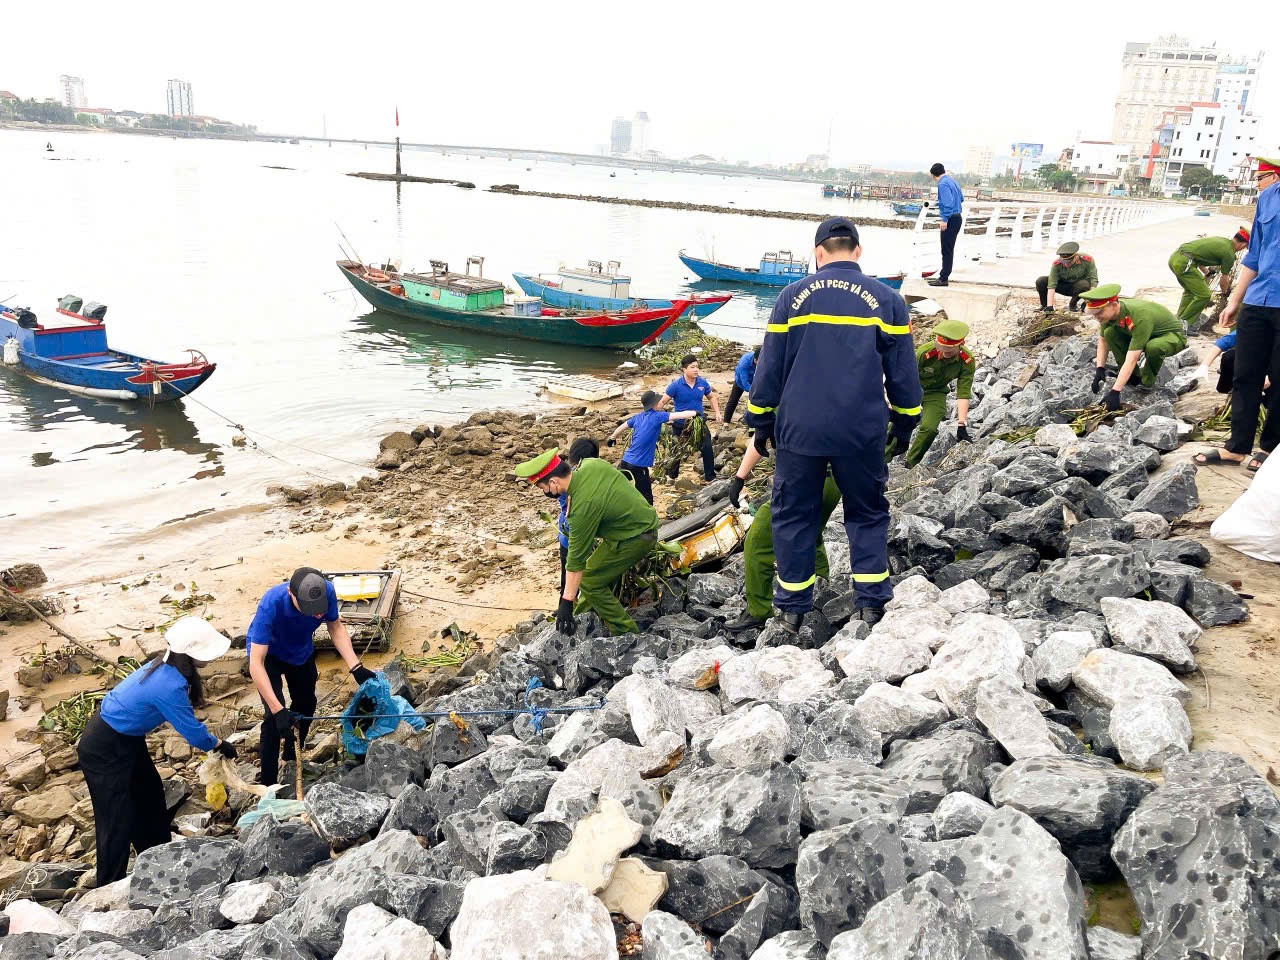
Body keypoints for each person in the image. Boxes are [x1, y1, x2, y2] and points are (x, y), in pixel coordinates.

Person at [747, 216, 922, 630]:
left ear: (818, 253)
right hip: (860, 427)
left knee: (793, 513)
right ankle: (872, 602)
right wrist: (906, 419)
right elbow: (902, 370)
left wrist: (761, 419)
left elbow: (769, 365)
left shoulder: (791, 297)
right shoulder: (887, 299)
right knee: (866, 511)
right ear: (858, 252)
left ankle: (792, 608)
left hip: (800, 427)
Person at [77, 616, 236, 886]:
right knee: (115, 817)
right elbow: (193, 733)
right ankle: (107, 885)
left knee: (149, 796)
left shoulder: (165, 667)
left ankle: (156, 857)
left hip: (128, 739)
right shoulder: (168, 685)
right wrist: (220, 745)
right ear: (189, 654)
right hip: (104, 747)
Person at [246, 567, 375, 786]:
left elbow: (335, 627)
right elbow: (255, 663)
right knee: (272, 719)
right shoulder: (271, 604)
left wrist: (356, 667)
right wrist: (278, 711)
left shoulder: (328, 591)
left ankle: (289, 757)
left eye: (319, 610)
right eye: (310, 609)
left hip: (300, 652)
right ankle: (268, 783)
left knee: (306, 704)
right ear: (291, 593)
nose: (317, 614)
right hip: (269, 656)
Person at [516, 448, 659, 636]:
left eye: (543, 488)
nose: (546, 492)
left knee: (590, 581)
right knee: (590, 574)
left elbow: (576, 560)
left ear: (553, 482)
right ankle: (579, 617)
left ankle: (626, 633)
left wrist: (566, 602)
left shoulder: (582, 508)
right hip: (634, 525)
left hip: (636, 537)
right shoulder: (592, 464)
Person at [1206, 156, 1280, 471]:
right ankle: (1237, 447)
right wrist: (1236, 298)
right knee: (1244, 374)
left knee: (1278, 378)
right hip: (1259, 298)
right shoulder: (1268, 196)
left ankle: (1269, 448)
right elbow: (1255, 253)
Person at [724, 444, 841, 631]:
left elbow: (761, 433)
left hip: (805, 476)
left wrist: (740, 477)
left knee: (758, 539)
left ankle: (758, 610)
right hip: (835, 478)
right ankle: (820, 588)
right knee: (809, 530)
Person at [1082, 284, 1187, 412]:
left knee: (1153, 347)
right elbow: (1103, 341)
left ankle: (1147, 382)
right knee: (1110, 333)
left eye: (1099, 312)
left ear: (1114, 305)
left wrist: (1115, 391)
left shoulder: (1139, 316)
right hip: (1143, 335)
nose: (1096, 316)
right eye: (1094, 313)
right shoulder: (1110, 315)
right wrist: (1099, 368)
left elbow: (1132, 359)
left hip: (1170, 336)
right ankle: (1133, 376)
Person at [905, 319, 976, 467]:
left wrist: (962, 424)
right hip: (913, 388)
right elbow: (904, 377)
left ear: (960, 344)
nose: (944, 353)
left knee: (929, 428)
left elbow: (963, 392)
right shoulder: (924, 352)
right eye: (941, 348)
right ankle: (881, 457)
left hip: (936, 393)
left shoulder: (967, 361)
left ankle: (911, 463)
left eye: (949, 351)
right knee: (897, 424)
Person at [607, 390, 695, 504]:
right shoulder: (658, 416)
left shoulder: (638, 417)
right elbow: (680, 415)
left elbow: (622, 427)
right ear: (654, 404)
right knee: (647, 497)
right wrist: (695, 413)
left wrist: (612, 438)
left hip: (625, 461)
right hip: (638, 466)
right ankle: (650, 519)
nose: (661, 403)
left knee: (620, 491)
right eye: (659, 401)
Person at [658, 354, 723, 481]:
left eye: (697, 367)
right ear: (684, 369)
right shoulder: (675, 385)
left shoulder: (702, 383)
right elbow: (662, 402)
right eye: (692, 367)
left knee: (707, 448)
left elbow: (712, 397)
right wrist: (653, 416)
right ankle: (672, 476)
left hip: (698, 422)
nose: (696, 370)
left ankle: (710, 476)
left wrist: (717, 412)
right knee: (676, 450)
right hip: (681, 424)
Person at [1169, 229, 1249, 328]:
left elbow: (1197, 255)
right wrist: (1225, 292)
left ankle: (1179, 320)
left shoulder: (1222, 241)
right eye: (1245, 247)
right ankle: (1183, 326)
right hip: (1185, 263)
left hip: (1175, 258)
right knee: (1204, 295)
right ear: (1242, 245)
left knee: (1190, 292)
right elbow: (1224, 280)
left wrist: (1207, 272)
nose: (1243, 249)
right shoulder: (1229, 254)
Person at [556, 438, 601, 591]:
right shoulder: (599, 477)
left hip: (569, 534)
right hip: (586, 536)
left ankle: (566, 603)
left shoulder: (566, 477)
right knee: (583, 572)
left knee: (568, 571)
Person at [927, 163, 963, 288]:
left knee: (946, 250)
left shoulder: (942, 184)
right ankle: (944, 276)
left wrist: (945, 219)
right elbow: (961, 199)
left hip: (951, 219)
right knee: (949, 249)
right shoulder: (952, 182)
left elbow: (948, 203)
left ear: (933, 175)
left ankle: (943, 279)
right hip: (958, 217)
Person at [1036, 242, 1098, 312]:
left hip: (1079, 289)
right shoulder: (1057, 264)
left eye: (1069, 261)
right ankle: (1044, 306)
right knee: (1041, 281)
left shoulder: (1087, 260)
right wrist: (1050, 306)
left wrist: (1090, 299)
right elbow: (1051, 285)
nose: (1066, 264)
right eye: (1064, 261)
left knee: (1084, 284)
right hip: (1063, 286)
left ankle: (1072, 305)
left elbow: (1093, 280)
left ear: (1076, 257)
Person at [723, 346, 761, 423]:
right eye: (759, 362)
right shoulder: (744, 362)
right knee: (733, 401)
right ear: (755, 359)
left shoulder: (763, 360)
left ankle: (751, 421)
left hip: (755, 380)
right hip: (740, 381)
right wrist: (753, 392)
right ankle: (726, 422)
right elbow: (745, 382)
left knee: (755, 402)